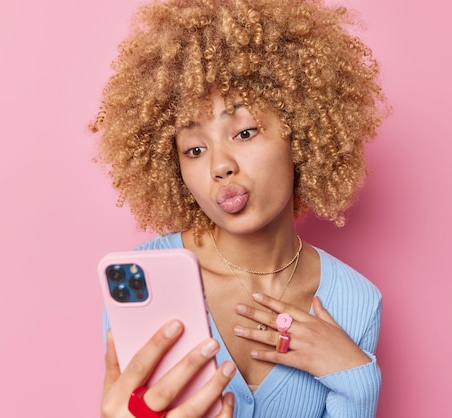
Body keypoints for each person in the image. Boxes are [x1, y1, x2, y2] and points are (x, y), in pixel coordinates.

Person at [91, 0, 386, 416]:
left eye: (244, 132)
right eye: (194, 149)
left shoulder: (355, 302)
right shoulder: (147, 277)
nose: (220, 166)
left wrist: (357, 383)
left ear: (299, 130)